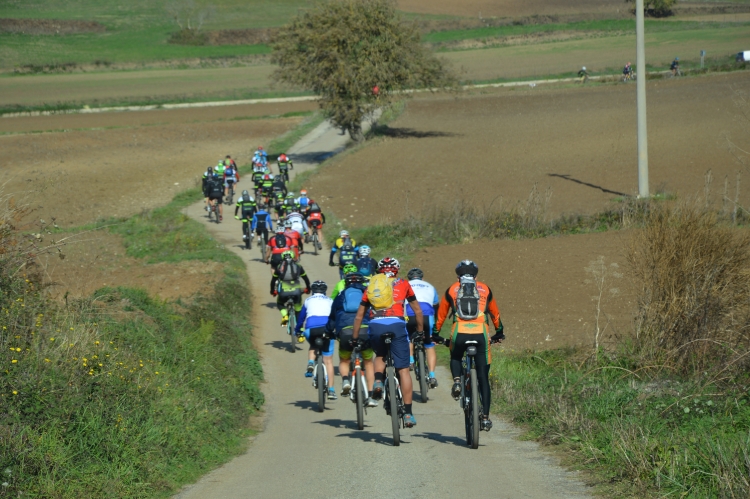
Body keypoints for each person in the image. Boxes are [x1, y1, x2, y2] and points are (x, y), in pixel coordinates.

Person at [352, 257, 424, 428]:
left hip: (376, 325)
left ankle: (377, 381)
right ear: (397, 269)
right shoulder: (404, 284)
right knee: (404, 370)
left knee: (380, 354)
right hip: (397, 325)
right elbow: (418, 310)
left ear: (379, 270)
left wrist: (355, 338)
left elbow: (359, 315)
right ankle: (408, 414)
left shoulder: (372, 285)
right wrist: (420, 332)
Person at [434, 260, 505, 432]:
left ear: (457, 276)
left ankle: (457, 381)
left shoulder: (452, 289)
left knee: (456, 356)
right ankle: (486, 418)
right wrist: (499, 332)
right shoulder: (485, 289)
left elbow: (441, 316)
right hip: (481, 333)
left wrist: (435, 333)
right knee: (483, 379)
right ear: (476, 276)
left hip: (460, 331)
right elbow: (495, 314)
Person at [328, 272, 378, 406]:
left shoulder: (340, 295)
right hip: (365, 329)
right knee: (368, 362)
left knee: (344, 359)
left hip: (345, 331)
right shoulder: (368, 294)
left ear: (346, 282)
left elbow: (332, 316)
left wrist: (330, 332)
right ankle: (371, 393)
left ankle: (345, 380)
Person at [296, 280, 338, 399]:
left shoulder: (308, 300)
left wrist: (297, 330)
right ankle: (331, 390)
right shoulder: (330, 300)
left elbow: (301, 318)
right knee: (328, 360)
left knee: (313, 346)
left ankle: (310, 363)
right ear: (325, 291)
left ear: (313, 291)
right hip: (326, 329)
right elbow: (335, 317)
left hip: (311, 329)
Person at [405, 268, 440, 388]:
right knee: (429, 346)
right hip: (427, 315)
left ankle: (410, 361)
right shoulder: (430, 286)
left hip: (410, 314)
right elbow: (436, 305)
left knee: (409, 338)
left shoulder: (405, 284)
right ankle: (432, 375)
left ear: (409, 278)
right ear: (422, 278)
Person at [271, 250, 311, 326]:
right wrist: (308, 288)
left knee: (280, 303)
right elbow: (306, 279)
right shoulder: (298, 266)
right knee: (298, 310)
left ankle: (285, 315)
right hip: (296, 291)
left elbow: (273, 281)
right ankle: (300, 333)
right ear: (293, 257)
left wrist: (272, 291)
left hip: (283, 292)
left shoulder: (279, 267)